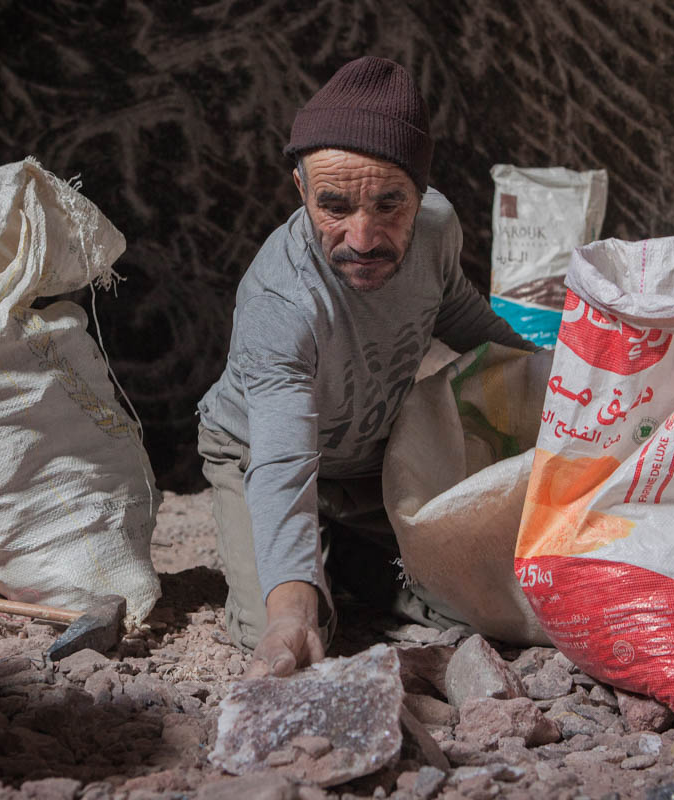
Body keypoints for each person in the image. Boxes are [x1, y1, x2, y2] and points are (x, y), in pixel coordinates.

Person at [196, 56, 533, 677]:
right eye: (333, 204)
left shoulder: (436, 227)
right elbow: (282, 461)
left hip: (368, 455)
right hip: (256, 453)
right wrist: (291, 613)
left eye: (388, 203)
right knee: (286, 631)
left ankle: (347, 549)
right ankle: (320, 568)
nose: (362, 237)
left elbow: (456, 310)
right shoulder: (282, 301)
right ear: (300, 190)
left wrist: (555, 375)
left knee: (462, 598)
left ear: (422, 193)